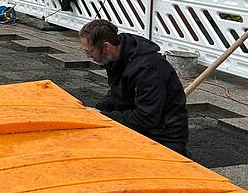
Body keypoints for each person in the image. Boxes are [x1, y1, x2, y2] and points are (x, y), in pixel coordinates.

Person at [79, 19, 189, 155]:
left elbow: (147, 117)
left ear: (106, 46)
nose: (89, 56)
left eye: (89, 51)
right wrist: (97, 110)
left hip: (164, 136)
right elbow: (117, 93)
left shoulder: (147, 69)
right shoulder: (116, 57)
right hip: (143, 126)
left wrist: (103, 116)